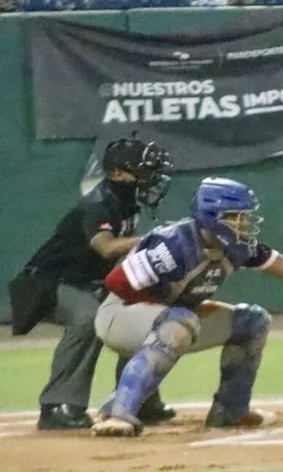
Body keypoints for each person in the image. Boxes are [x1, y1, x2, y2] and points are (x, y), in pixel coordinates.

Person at [90, 177, 283, 437]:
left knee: (251, 321)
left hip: (173, 318)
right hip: (119, 315)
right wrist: (168, 311)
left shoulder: (237, 248)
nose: (244, 224)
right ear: (212, 218)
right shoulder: (174, 244)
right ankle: (119, 413)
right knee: (178, 323)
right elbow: (116, 283)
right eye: (236, 218)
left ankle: (230, 410)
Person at [7, 136, 176, 430]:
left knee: (143, 314)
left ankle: (139, 400)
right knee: (89, 318)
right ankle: (57, 406)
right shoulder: (97, 204)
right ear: (117, 174)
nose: (151, 177)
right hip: (46, 282)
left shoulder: (127, 204)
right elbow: (106, 247)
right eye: (143, 169)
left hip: (86, 282)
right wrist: (154, 237)